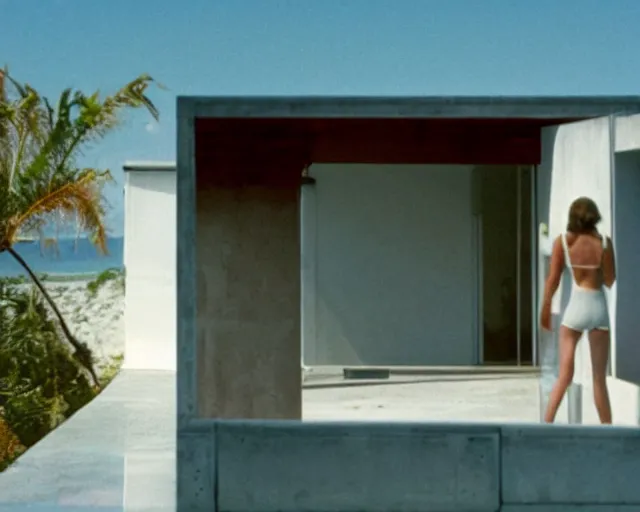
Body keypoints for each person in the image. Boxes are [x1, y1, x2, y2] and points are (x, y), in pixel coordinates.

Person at [540, 197, 616, 424]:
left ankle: (547, 424)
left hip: (576, 307)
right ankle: (609, 431)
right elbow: (610, 280)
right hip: (598, 306)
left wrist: (545, 310)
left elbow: (552, 280)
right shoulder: (604, 243)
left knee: (564, 375)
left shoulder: (563, 242)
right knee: (599, 380)